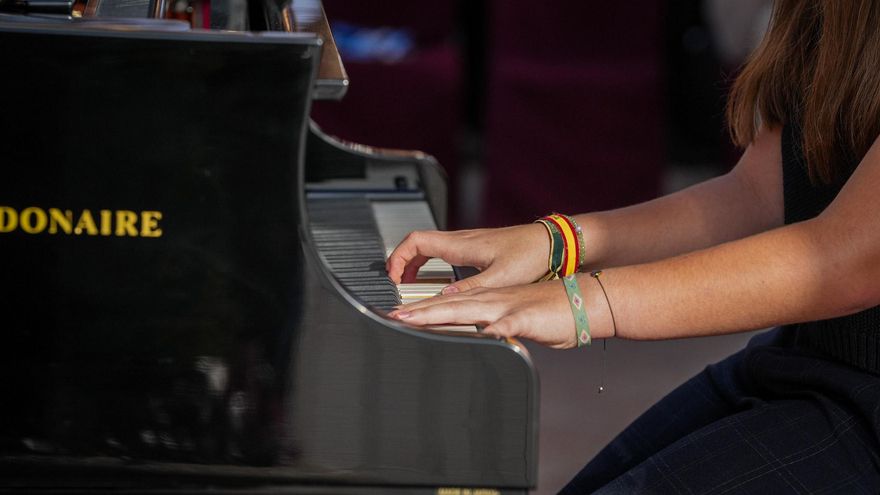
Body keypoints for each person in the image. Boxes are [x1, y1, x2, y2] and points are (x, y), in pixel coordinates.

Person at [385, 1, 880, 493]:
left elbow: (845, 260)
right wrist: (557, 243)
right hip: (807, 358)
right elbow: (759, 192)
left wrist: (584, 302)